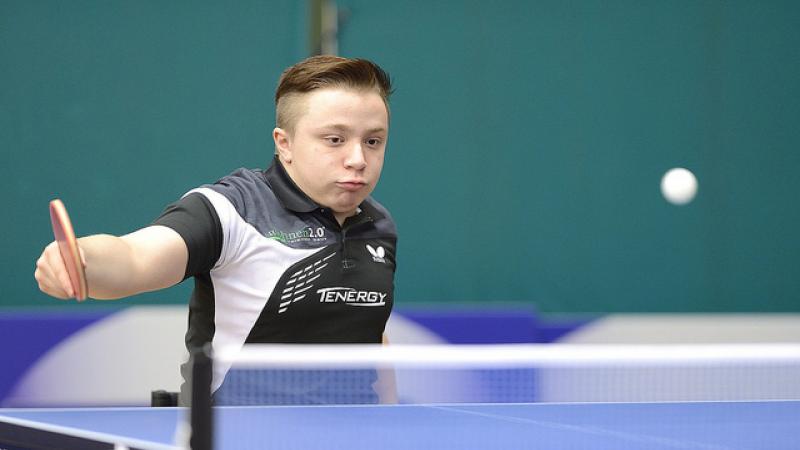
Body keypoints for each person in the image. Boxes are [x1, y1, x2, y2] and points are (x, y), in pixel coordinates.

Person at [34, 55, 398, 404]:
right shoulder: (232, 209)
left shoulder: (377, 224)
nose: (358, 159)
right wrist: (79, 260)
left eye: (373, 141)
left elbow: (369, 338)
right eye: (334, 139)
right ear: (284, 144)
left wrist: (389, 422)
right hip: (236, 436)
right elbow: (136, 257)